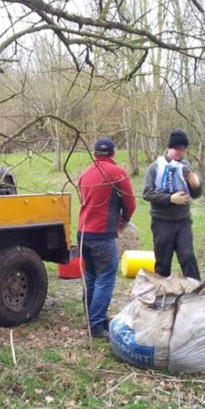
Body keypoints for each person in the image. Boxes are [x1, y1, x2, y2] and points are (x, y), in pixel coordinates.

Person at [78, 137, 136, 339]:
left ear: (95, 153)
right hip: (102, 234)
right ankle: (96, 325)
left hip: (83, 232)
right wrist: (124, 220)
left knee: (91, 277)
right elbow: (130, 203)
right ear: (113, 153)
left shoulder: (85, 173)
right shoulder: (117, 173)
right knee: (105, 279)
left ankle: (93, 319)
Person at [142, 129, 202, 280]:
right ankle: (162, 296)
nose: (180, 153)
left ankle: (196, 292)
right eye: (178, 149)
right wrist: (170, 199)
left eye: (183, 149)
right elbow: (147, 193)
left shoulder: (186, 166)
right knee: (163, 263)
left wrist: (196, 186)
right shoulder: (155, 167)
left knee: (188, 257)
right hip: (161, 222)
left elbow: (195, 194)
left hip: (183, 221)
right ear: (170, 147)